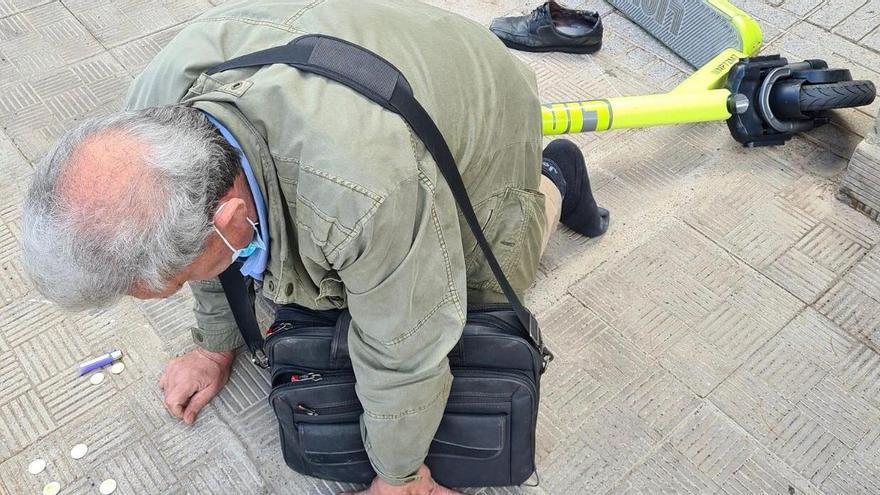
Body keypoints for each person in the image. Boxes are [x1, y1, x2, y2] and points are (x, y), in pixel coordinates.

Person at [20, 1, 606, 493]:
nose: (157, 291)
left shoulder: (364, 188)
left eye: (167, 280)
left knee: (479, 287)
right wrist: (212, 345)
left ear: (229, 218)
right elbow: (191, 231)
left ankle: (556, 174)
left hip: (481, 101)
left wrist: (401, 476)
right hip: (374, 66)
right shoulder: (150, 123)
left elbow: (407, 343)